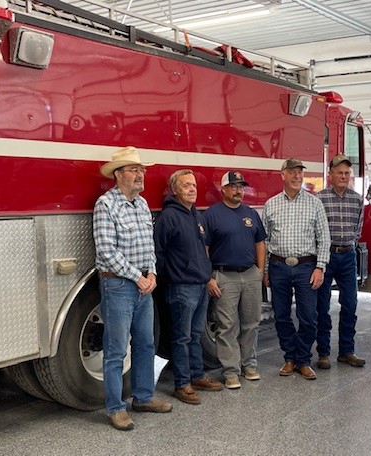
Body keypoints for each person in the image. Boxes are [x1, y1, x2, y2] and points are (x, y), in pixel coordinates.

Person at [93, 146, 172, 431]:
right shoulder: (106, 204)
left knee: (145, 344)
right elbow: (106, 250)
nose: (141, 175)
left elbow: (148, 245)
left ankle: (143, 397)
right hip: (118, 285)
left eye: (142, 170)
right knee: (115, 350)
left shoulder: (141, 203)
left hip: (142, 284)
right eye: (134, 170)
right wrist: (136, 277)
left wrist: (151, 273)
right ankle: (115, 408)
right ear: (118, 175)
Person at [154, 169, 224, 405]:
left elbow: (203, 249)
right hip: (181, 288)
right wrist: (172, 277)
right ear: (175, 190)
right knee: (181, 338)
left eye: (193, 185)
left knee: (195, 335)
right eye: (186, 186)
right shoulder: (169, 217)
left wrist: (206, 276)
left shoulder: (196, 215)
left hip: (200, 286)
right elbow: (159, 253)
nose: (192, 189)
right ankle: (182, 383)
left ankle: (197, 375)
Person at [262, 158, 331, 380]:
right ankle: (289, 358)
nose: (297, 176)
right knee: (281, 316)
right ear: (282, 175)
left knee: (309, 317)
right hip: (278, 266)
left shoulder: (314, 203)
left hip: (306, 267)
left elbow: (324, 239)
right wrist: (265, 271)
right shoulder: (271, 204)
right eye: (292, 172)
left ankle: (303, 360)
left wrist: (320, 267)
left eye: (300, 172)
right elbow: (265, 240)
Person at [203, 171, 267, 389]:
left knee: (251, 324)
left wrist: (259, 271)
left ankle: (249, 366)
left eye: (241, 187)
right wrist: (209, 277)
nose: (239, 190)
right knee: (227, 326)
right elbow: (205, 249)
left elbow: (260, 243)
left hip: (250, 275)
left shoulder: (251, 213)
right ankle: (231, 372)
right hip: (224, 276)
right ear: (224, 189)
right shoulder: (212, 215)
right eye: (234, 186)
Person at [316, 155, 366, 369]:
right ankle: (324, 353)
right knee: (322, 306)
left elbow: (358, 229)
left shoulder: (357, 199)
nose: (343, 176)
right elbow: (315, 230)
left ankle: (347, 351)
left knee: (350, 305)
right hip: (326, 256)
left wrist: (351, 244)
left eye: (347, 173)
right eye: (339, 173)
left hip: (348, 256)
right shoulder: (319, 199)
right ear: (331, 175)